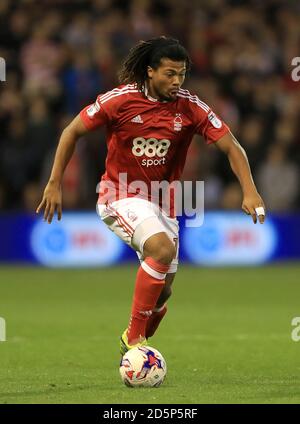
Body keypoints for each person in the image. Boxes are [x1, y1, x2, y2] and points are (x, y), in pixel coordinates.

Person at [36, 36, 266, 355]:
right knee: (160, 249)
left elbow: (232, 146)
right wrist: (54, 183)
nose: (176, 81)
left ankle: (137, 339)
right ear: (150, 71)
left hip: (164, 202)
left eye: (181, 74)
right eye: (169, 73)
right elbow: (71, 131)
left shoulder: (190, 106)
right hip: (119, 193)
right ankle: (134, 339)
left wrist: (250, 191)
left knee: (163, 292)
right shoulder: (119, 101)